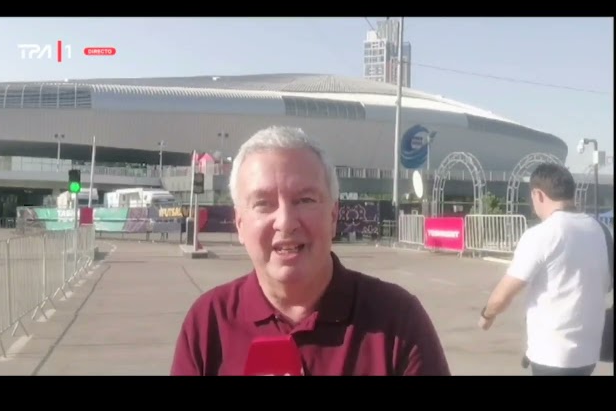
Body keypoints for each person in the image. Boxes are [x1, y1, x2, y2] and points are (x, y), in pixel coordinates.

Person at [171, 125, 451, 375]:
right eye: (263, 203)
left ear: (333, 215)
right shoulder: (208, 323)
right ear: (240, 223)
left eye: (304, 200)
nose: (286, 222)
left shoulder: (397, 321)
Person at [478, 163, 613, 376]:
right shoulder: (601, 231)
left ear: (538, 194)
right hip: (588, 354)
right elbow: (605, 284)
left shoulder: (542, 234)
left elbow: (504, 294)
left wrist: (486, 315)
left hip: (552, 355)